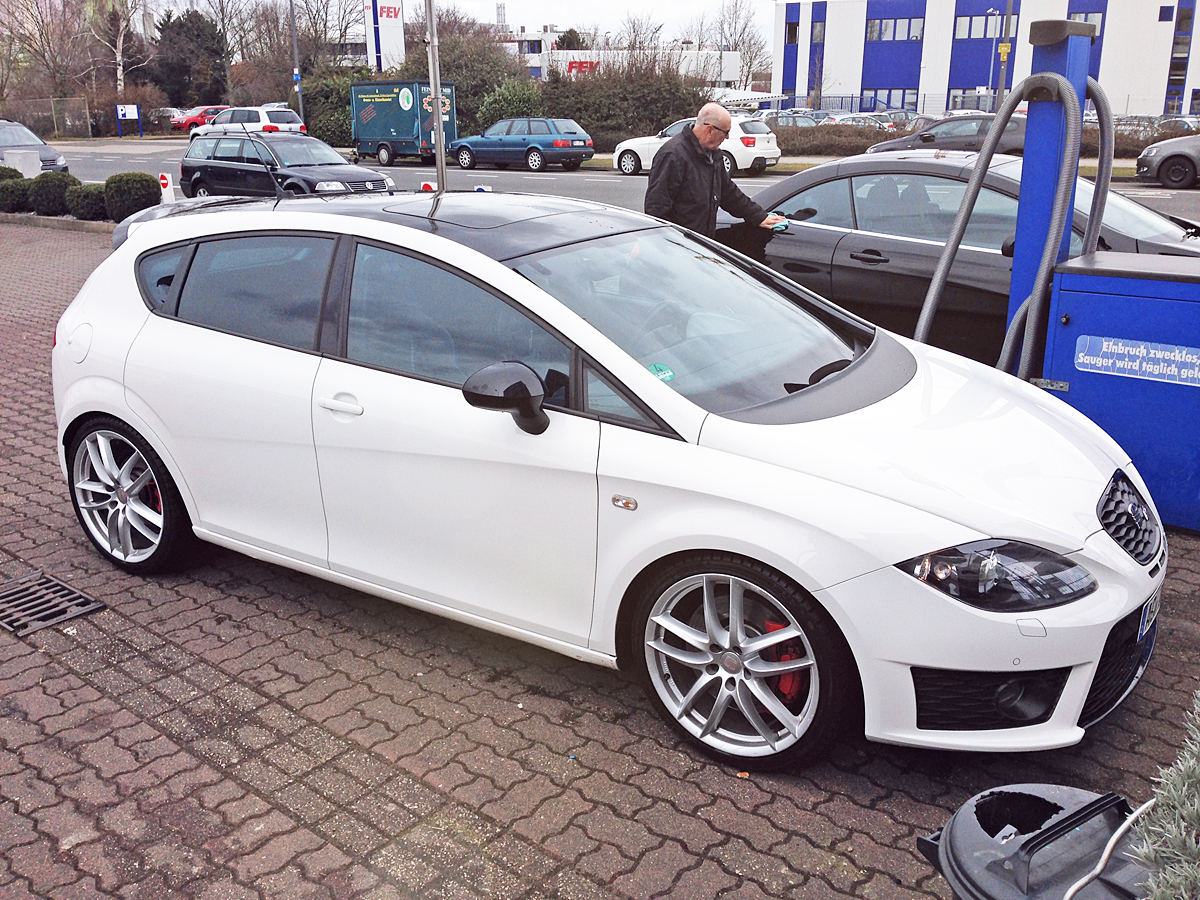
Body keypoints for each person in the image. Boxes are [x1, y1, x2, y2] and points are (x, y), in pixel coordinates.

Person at [643, 103, 786, 238]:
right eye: (726, 132)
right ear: (709, 130)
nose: (727, 137)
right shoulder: (673, 155)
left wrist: (759, 216)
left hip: (702, 244)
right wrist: (673, 245)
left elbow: (729, 194)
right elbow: (656, 210)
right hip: (679, 247)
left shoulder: (713, 155)